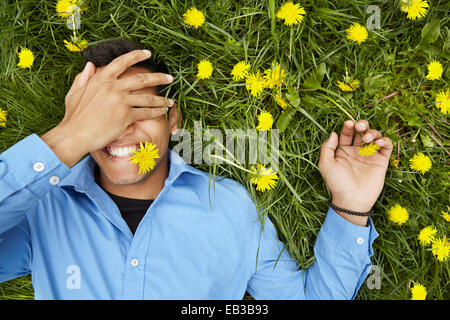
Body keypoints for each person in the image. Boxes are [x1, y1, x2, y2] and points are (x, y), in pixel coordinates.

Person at [0, 39, 392, 299]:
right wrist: (69, 136)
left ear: (173, 120)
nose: (119, 128)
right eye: (101, 118)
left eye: (139, 109)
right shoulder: (40, 207)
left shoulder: (231, 208)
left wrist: (350, 207)